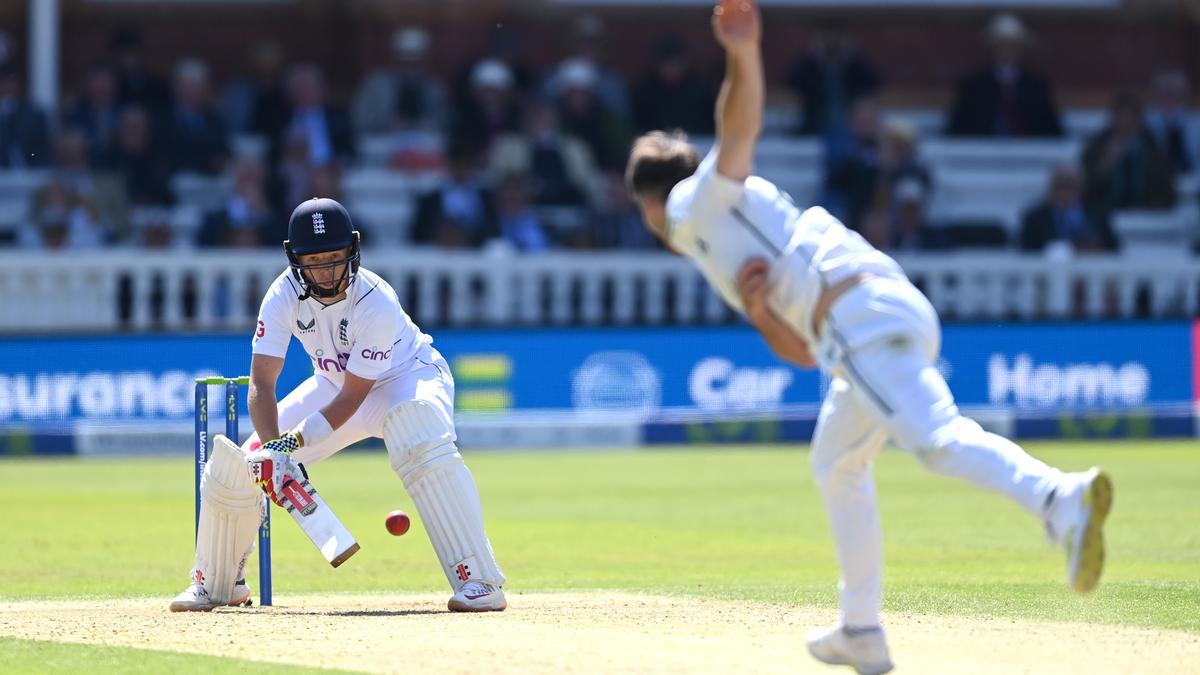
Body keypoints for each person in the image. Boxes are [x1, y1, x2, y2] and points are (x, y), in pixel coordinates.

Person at [623, 2, 1112, 673]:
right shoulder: (727, 234)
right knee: (836, 463)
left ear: (648, 203)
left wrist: (743, 53)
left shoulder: (691, 207)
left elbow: (736, 136)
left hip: (855, 316)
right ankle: (860, 627)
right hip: (866, 316)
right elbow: (803, 355)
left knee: (938, 441)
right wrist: (766, 314)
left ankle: (1060, 497)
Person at [170, 197, 507, 613]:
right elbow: (261, 383)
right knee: (242, 463)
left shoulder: (376, 302)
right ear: (294, 259)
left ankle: (479, 579)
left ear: (353, 251)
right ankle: (219, 584)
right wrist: (274, 452)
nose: (327, 271)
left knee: (418, 437)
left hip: (406, 378)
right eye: (314, 261)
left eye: (335, 258)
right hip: (332, 385)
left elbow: (355, 396)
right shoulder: (281, 296)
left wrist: (291, 445)